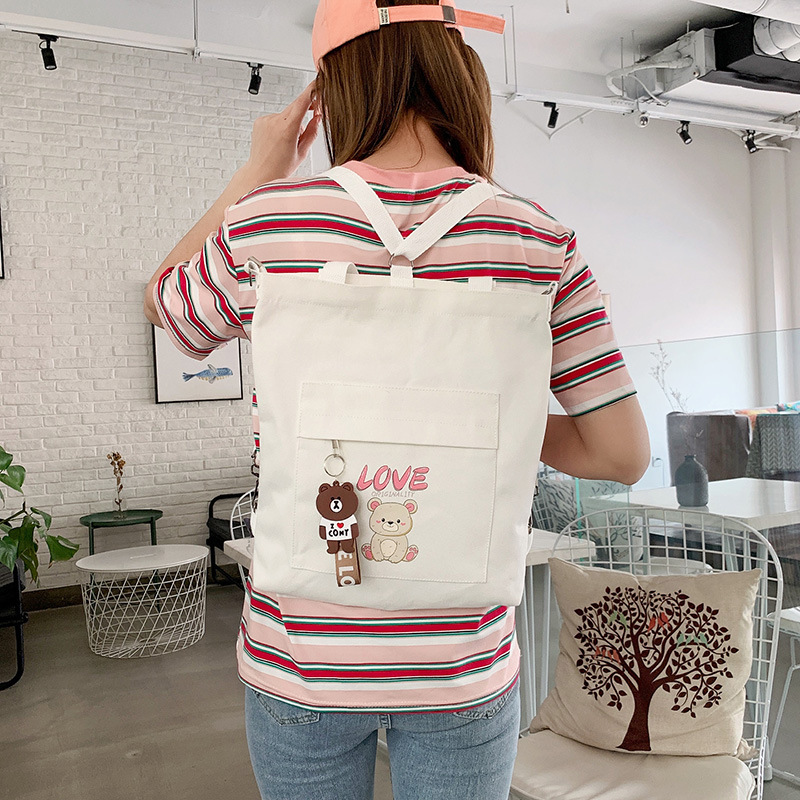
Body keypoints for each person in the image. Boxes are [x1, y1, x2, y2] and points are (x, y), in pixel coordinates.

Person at [144, 1, 650, 797]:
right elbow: (621, 455)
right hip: (461, 665)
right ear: (458, 72)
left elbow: (166, 306)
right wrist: (492, 417)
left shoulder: (267, 227)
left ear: (335, 87)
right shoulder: (539, 242)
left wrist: (259, 172)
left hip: (302, 660)